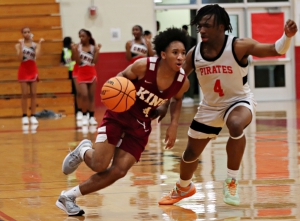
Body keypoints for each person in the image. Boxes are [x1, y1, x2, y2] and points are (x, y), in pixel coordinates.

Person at [158, 4, 298, 206]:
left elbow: (275, 49)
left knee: (235, 123)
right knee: (190, 154)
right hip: (210, 107)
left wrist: (287, 36)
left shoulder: (238, 46)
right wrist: (163, 105)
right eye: (200, 26)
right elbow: (174, 84)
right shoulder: (194, 54)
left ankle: (231, 180)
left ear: (221, 26)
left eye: (207, 25)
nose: (202, 30)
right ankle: (183, 187)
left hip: (239, 101)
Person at [55, 27, 190, 216]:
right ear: (163, 54)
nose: (180, 57)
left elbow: (177, 99)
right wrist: (122, 95)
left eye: (183, 53)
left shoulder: (182, 81)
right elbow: (119, 78)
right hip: (119, 116)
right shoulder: (143, 66)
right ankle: (83, 150)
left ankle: (68, 197)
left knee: (119, 171)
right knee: (99, 164)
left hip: (141, 125)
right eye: (175, 52)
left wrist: (172, 122)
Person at [71, 29, 101, 126]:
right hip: (81, 72)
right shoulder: (78, 47)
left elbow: (94, 62)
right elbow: (78, 62)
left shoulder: (93, 48)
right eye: (80, 36)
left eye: (83, 36)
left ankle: (91, 117)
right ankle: (84, 115)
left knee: (91, 96)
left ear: (88, 37)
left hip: (91, 73)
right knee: (84, 95)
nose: (81, 38)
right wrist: (74, 50)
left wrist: (97, 52)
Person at [15, 27, 44, 125]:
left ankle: (33, 115)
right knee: (24, 94)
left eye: (28, 32)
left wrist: (39, 45)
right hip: (23, 69)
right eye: (24, 32)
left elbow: (37, 56)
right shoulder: (18, 45)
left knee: (33, 94)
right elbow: (20, 58)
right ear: (22, 34)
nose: (27, 33)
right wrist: (21, 45)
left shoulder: (35, 45)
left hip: (33, 70)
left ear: (30, 33)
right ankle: (24, 116)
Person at [60, 37, 82, 120]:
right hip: (69, 72)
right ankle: (77, 110)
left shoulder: (75, 49)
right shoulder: (64, 50)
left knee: (78, 92)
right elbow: (61, 62)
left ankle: (79, 110)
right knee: (75, 92)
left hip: (75, 70)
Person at [181, 25, 197, 107]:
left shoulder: (193, 40)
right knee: (181, 78)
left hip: (190, 62)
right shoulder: (180, 41)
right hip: (181, 62)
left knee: (191, 79)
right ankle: (182, 96)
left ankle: (190, 96)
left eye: (184, 30)